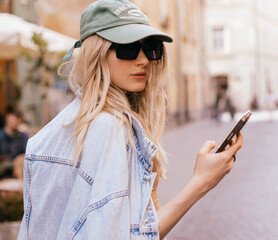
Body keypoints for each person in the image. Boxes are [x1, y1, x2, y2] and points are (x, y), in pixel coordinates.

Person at [18, 0, 243, 239]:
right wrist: (200, 183)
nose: (144, 60)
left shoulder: (47, 135)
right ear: (97, 53)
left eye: (151, 48)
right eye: (128, 47)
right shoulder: (111, 128)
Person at [0, 107, 28, 179]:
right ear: (7, 117)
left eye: (18, 119)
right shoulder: (1, 136)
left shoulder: (24, 137)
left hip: (18, 168)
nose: (15, 121)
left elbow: (27, 154)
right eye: (13, 118)